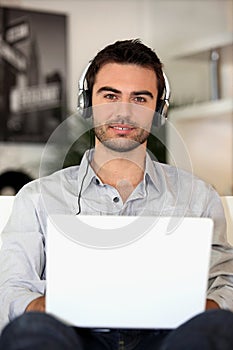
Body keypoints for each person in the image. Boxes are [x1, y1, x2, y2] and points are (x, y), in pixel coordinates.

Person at [0, 39, 233, 350]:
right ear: (88, 103)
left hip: (168, 338)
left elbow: (225, 283)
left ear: (158, 110)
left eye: (140, 98)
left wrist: (195, 311)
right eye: (110, 96)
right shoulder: (38, 198)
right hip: (75, 338)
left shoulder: (199, 197)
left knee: (221, 327)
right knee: (29, 331)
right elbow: (11, 289)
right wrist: (56, 310)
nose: (124, 112)